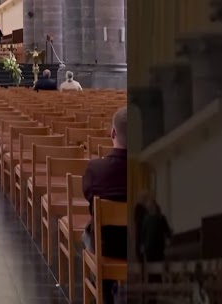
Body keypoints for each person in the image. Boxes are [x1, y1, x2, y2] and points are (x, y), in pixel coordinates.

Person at [83, 108, 128, 304]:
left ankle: (104, 289)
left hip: (108, 248)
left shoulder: (96, 169)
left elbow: (89, 198)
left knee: (88, 233)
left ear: (113, 133)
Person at [141, 201, 174, 274]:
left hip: (159, 248)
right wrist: (142, 245)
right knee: (151, 270)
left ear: (156, 207)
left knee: (159, 269)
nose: (150, 209)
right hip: (149, 249)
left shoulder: (161, 218)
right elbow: (143, 233)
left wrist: (168, 239)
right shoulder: (146, 220)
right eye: (149, 207)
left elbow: (167, 231)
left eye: (152, 207)